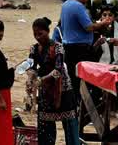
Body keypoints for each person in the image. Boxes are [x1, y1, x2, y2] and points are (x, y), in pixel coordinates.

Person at [29, 17, 80, 145]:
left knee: (69, 126)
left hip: (63, 90)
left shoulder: (58, 47)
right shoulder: (34, 49)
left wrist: (41, 80)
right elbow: (31, 66)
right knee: (45, 128)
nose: (37, 37)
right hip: (46, 92)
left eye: (40, 34)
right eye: (35, 34)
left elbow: (58, 70)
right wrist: (31, 78)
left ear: (47, 31)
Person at [57, 0, 116, 89]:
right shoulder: (78, 6)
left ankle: (76, 102)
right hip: (79, 49)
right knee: (83, 79)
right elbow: (88, 27)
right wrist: (103, 23)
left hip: (69, 47)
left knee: (73, 77)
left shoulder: (65, 4)